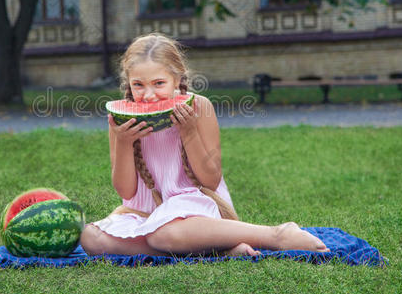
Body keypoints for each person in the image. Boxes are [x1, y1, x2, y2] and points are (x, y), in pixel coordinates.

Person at [80, 33, 329, 257]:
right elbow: (126, 192)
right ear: (128, 83)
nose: (148, 95)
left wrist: (188, 132)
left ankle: (276, 235)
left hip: (193, 205)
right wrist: (124, 142)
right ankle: (218, 251)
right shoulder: (121, 119)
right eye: (138, 85)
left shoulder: (200, 107)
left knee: (163, 234)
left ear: (177, 79)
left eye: (159, 83)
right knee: (91, 238)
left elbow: (210, 180)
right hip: (144, 211)